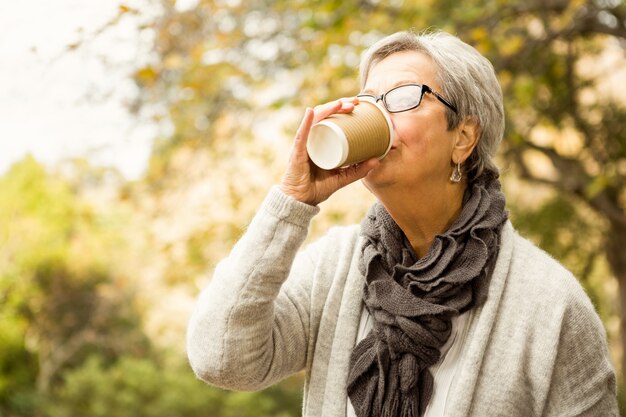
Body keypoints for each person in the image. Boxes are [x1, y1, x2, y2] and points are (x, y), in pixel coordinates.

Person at [186, 30, 619, 416]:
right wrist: (292, 201)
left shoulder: (550, 304)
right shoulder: (334, 268)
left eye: (403, 96)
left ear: (463, 137)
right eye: (370, 99)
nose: (376, 114)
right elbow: (221, 358)